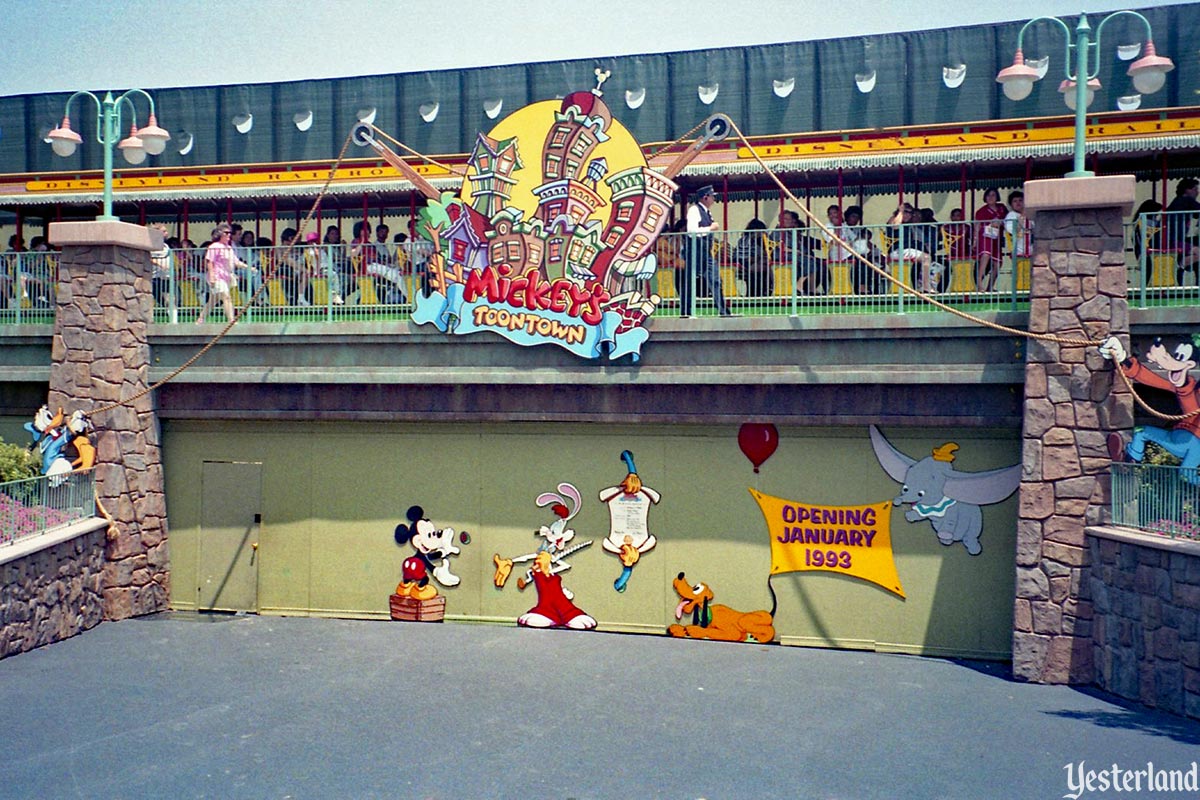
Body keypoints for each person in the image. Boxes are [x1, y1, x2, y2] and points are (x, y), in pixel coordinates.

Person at [684, 185, 731, 316]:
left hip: (705, 252)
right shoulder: (694, 210)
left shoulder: (706, 212)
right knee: (690, 281)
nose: (714, 199)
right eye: (712, 196)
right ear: (705, 197)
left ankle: (723, 311)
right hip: (695, 251)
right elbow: (692, 231)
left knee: (715, 279)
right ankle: (686, 311)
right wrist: (710, 228)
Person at [196, 225, 246, 324]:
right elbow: (210, 261)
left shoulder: (229, 248)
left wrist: (248, 267)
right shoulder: (214, 246)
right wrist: (212, 276)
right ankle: (231, 320)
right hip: (217, 276)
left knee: (212, 301)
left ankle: (200, 319)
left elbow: (235, 261)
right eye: (226, 233)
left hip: (226, 276)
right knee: (226, 296)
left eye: (229, 233)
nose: (229, 235)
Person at [885, 202, 936, 292]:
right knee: (926, 258)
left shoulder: (907, 224)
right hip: (897, 250)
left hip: (906, 250)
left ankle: (924, 283)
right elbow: (895, 226)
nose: (909, 215)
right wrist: (900, 211)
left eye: (910, 213)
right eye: (906, 212)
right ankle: (925, 286)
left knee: (928, 257)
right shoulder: (894, 219)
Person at [1161, 177, 1200, 284]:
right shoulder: (1186, 199)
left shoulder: (1178, 201)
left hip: (1173, 238)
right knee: (1198, 252)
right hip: (1172, 240)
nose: (1197, 192)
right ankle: (1179, 266)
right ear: (1187, 190)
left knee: (1195, 245)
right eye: (1195, 189)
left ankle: (1182, 267)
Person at [842, 205, 884, 294]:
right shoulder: (843, 228)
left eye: (857, 217)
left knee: (874, 262)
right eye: (853, 216)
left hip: (858, 254)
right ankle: (862, 287)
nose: (855, 219)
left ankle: (873, 288)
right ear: (847, 216)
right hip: (845, 255)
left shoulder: (858, 229)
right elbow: (853, 241)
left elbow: (865, 242)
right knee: (863, 262)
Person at [974, 187, 1007, 292]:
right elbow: (977, 226)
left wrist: (1000, 222)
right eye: (988, 195)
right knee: (985, 256)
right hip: (985, 236)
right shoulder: (981, 211)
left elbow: (1008, 220)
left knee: (998, 263)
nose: (991, 197)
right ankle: (979, 284)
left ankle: (990, 286)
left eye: (993, 195)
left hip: (997, 237)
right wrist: (975, 240)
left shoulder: (1002, 208)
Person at [733, 218, 773, 297]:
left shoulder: (744, 238)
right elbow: (751, 255)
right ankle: (765, 290)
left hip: (743, 260)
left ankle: (765, 289)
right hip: (744, 262)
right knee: (768, 267)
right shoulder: (750, 239)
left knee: (766, 266)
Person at [149, 224, 175, 309]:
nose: (167, 233)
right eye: (164, 231)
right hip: (155, 277)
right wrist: (159, 264)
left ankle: (173, 320)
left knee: (171, 299)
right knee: (156, 299)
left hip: (167, 276)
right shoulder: (151, 245)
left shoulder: (166, 246)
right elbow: (148, 258)